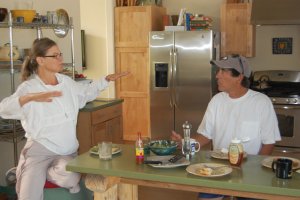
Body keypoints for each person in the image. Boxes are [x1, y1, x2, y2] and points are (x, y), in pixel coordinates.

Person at [0, 37, 129, 200]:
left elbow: (86, 93)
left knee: (72, 178)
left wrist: (106, 80)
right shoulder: (29, 88)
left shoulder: (66, 83)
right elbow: (4, 109)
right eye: (55, 55)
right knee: (28, 196)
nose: (61, 59)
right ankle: (29, 168)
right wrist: (29, 98)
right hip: (40, 150)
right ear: (40, 60)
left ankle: (37, 171)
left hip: (66, 152)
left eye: (60, 54)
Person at [171, 54, 281, 200]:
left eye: (223, 71)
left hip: (249, 172)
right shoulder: (216, 101)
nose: (217, 75)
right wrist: (185, 143)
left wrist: (257, 172)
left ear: (239, 77)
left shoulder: (261, 102)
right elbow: (204, 136)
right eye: (218, 71)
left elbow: (269, 142)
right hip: (217, 169)